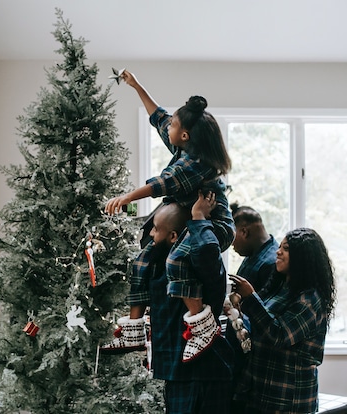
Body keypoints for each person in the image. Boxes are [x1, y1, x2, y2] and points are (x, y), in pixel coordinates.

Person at [101, 70, 234, 361]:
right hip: (192, 220)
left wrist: (126, 198)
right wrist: (136, 85)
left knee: (176, 260)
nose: (169, 127)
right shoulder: (184, 143)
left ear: (184, 135)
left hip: (214, 225)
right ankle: (133, 332)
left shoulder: (194, 164)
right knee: (142, 260)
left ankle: (203, 326)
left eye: (175, 125)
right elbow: (158, 117)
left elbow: (160, 184)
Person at [137, 200, 235, 413]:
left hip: (202, 374)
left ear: (174, 236)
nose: (151, 234)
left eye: (156, 229)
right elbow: (147, 234)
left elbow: (207, 248)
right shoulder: (160, 263)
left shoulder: (198, 261)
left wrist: (198, 217)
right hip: (177, 372)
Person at [230, 227, 337, 414]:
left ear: (302, 257)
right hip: (262, 389)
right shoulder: (281, 288)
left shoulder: (310, 299)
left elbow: (279, 335)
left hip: (287, 398)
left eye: (286, 248)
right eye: (280, 247)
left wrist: (251, 296)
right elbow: (261, 324)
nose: (278, 252)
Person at [225, 203, 279, 412]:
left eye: (232, 237)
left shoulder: (270, 263)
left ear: (244, 231)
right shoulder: (253, 257)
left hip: (253, 357)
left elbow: (263, 313)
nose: (231, 245)